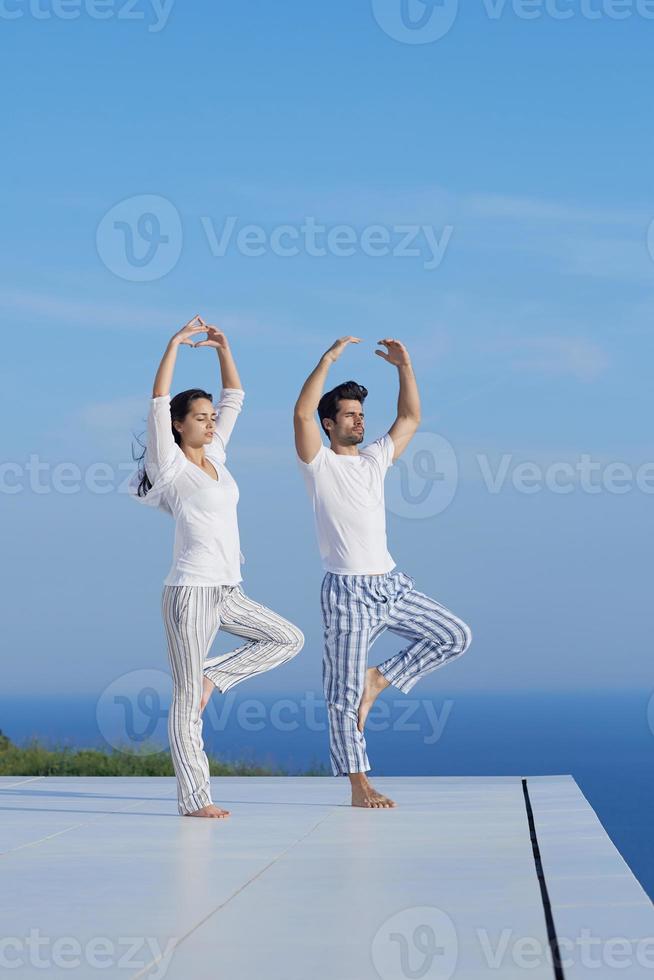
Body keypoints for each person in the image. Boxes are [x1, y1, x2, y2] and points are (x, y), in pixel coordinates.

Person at [129, 315, 304, 819]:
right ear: (178, 426)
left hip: (228, 588)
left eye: (209, 417)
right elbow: (157, 402)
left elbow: (236, 397)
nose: (209, 422)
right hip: (190, 593)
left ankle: (213, 678)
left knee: (287, 639)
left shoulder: (217, 458)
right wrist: (174, 345)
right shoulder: (171, 466)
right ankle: (195, 799)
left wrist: (224, 347)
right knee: (185, 701)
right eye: (199, 417)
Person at [294, 336, 472, 809]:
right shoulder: (319, 464)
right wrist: (328, 360)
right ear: (329, 423)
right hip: (347, 594)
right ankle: (359, 785)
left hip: (390, 584)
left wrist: (405, 366)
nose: (359, 420)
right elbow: (299, 415)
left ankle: (380, 679)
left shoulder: (374, 459)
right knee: (341, 695)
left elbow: (411, 418)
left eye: (360, 414)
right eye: (349, 415)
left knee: (454, 636)